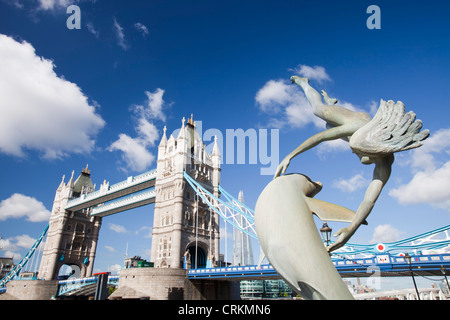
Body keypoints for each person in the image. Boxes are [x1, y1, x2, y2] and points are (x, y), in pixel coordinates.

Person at [275, 76, 427, 252]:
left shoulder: (384, 164)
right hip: (356, 121)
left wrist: (350, 230)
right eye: (353, 148)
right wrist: (290, 156)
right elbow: (319, 138)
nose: (353, 151)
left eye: (358, 151)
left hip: (363, 132)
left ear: (374, 153)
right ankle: (305, 83)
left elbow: (368, 201)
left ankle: (331, 103)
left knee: (328, 125)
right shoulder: (356, 126)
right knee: (318, 111)